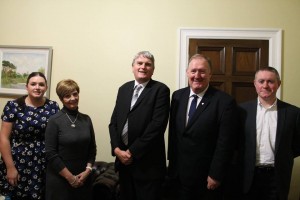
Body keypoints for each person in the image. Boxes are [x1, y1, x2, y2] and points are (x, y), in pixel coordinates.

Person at [167, 54, 238, 200]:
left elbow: (225, 143)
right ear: (187, 72)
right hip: (178, 175)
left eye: (202, 71)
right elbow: (174, 134)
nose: (197, 75)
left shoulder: (224, 102)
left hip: (205, 177)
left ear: (210, 74)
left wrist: (216, 174)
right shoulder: (177, 96)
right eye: (193, 71)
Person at [109, 51, 170, 200]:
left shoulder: (160, 90)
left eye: (148, 64)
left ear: (153, 69)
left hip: (148, 166)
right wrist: (116, 149)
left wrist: (131, 152)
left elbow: (157, 126)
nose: (143, 67)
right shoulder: (123, 89)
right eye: (140, 63)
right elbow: (114, 123)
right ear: (133, 67)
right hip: (124, 165)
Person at [239, 66, 300, 200]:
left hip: (277, 177)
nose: (265, 85)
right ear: (255, 84)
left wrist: (284, 154)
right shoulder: (241, 111)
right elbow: (236, 143)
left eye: (270, 81)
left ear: (278, 84)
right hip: (248, 176)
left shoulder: (293, 113)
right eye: (261, 81)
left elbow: (297, 145)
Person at [0, 72, 60, 200]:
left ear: (46, 88)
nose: (37, 87)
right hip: (17, 162)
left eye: (41, 84)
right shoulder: (13, 106)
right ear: (27, 87)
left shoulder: (53, 107)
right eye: (33, 84)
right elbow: (4, 138)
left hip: (43, 164)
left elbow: (58, 136)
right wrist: (10, 168)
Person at [45, 79, 97, 200]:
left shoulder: (86, 119)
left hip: (83, 178)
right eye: (67, 96)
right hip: (60, 179)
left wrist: (88, 171)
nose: (72, 98)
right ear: (61, 99)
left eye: (75, 94)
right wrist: (70, 178)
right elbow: (50, 153)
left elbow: (92, 148)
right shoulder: (54, 120)